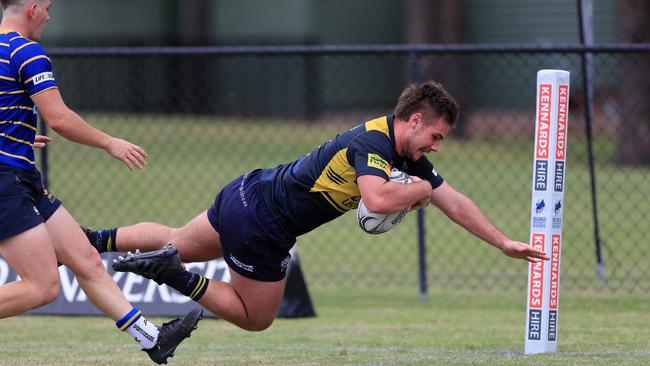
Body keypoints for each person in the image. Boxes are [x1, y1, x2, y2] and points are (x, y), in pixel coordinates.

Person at [85, 80, 549, 332]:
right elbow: (377, 199)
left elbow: (455, 201)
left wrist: (502, 242)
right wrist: (418, 192)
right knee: (256, 318)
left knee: (177, 238)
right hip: (262, 224)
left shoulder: (403, 150)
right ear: (414, 121)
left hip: (246, 190)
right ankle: (173, 275)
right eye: (435, 136)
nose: (437, 147)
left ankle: (87, 240)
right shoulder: (373, 143)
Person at [0, 0, 202, 363]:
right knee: (43, 287)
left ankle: (152, 339)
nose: (49, 15)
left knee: (86, 258)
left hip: (21, 177)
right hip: (5, 182)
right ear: (31, 8)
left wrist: (10, 136)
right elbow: (58, 118)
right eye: (46, 7)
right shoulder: (26, 51)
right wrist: (110, 142)